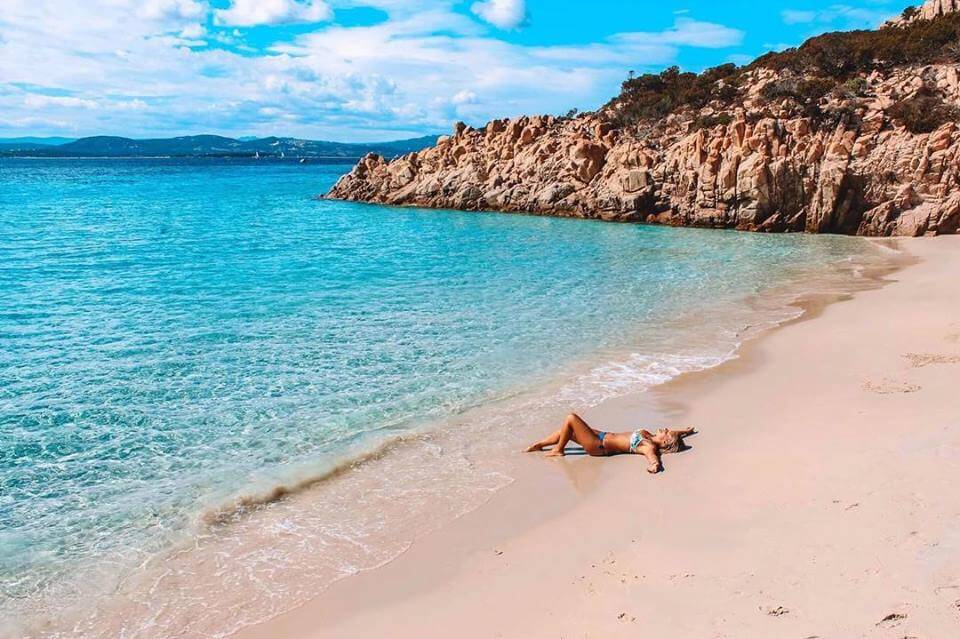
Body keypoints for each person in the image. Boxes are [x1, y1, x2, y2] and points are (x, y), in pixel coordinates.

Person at [524, 412, 695, 474]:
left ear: (664, 441)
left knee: (571, 418)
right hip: (602, 435)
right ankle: (540, 445)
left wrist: (655, 466)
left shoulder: (648, 446)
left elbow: (652, 458)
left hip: (599, 446)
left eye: (666, 431)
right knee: (565, 431)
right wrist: (685, 431)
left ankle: (558, 450)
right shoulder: (649, 435)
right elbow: (674, 436)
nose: (665, 428)